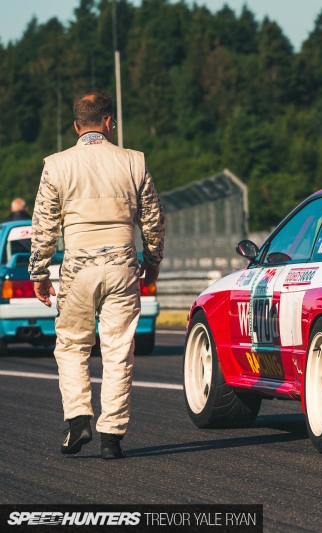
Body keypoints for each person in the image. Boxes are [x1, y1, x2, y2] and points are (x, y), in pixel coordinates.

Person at [29, 88, 165, 460]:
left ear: (76, 126)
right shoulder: (134, 161)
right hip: (123, 263)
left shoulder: (57, 165)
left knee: (72, 344)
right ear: (109, 123)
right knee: (119, 348)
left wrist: (39, 273)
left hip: (78, 266)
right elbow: (153, 218)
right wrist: (152, 259)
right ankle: (112, 437)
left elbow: (43, 226)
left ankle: (78, 421)